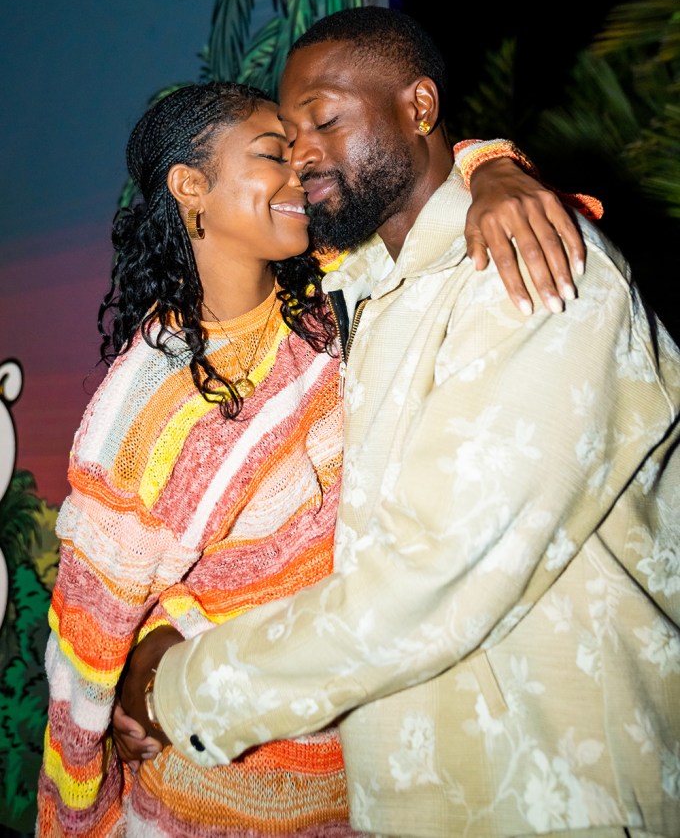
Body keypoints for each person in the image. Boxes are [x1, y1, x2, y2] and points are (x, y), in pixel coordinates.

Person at [120, 7, 680, 838]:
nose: (301, 154)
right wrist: (489, 162)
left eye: (328, 120)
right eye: (286, 135)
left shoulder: (530, 268)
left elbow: (425, 582)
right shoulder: (369, 291)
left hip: (562, 794)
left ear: (420, 108)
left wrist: (178, 690)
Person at [36, 76, 577, 836]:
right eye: (271, 155)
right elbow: (86, 640)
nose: (301, 174)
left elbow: (422, 181)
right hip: (216, 798)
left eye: (298, 154)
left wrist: (495, 169)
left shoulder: (335, 288)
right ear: (191, 186)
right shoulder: (142, 408)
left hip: (371, 775)